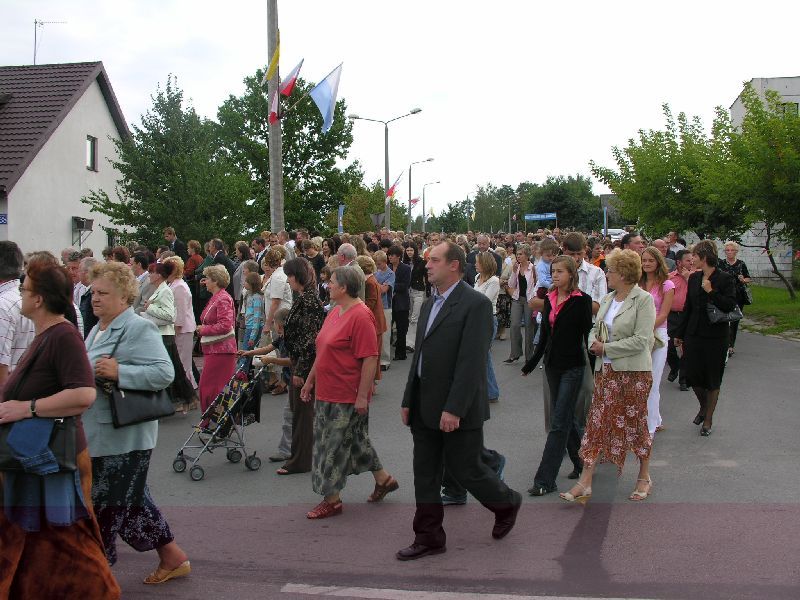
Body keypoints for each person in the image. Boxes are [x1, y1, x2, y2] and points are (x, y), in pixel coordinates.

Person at [0, 262, 120, 599]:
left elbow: (83, 394)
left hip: (54, 459)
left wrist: (26, 407)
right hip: (38, 457)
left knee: (67, 539)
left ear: (38, 299)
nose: (20, 294)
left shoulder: (62, 335)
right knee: (41, 542)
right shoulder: (47, 334)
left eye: (24, 289)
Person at [397, 241, 521, 561]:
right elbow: (420, 357)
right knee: (425, 473)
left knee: (467, 469)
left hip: (458, 406)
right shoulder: (429, 303)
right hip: (424, 403)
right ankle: (428, 537)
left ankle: (506, 503)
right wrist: (409, 398)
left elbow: (471, 363)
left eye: (434, 260)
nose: (427, 265)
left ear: (454, 265)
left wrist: (453, 408)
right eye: (428, 260)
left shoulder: (475, 304)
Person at [83, 261, 189, 584]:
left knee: (105, 505)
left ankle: (96, 577)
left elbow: (164, 373)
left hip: (124, 435)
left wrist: (121, 373)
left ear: (124, 296)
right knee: (131, 501)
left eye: (103, 293)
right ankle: (172, 557)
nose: (95, 298)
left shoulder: (137, 327)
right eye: (93, 292)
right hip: (101, 433)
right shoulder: (98, 328)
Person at [300, 267, 398, 519]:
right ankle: (384, 479)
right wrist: (310, 381)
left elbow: (370, 358)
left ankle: (332, 500)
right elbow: (323, 351)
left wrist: (362, 396)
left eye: (331, 282)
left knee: (330, 448)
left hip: (346, 393)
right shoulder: (335, 311)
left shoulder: (361, 316)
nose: (327, 285)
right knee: (355, 440)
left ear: (344, 288)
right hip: (326, 390)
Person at [561, 249, 656, 504]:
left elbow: (642, 340)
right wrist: (594, 343)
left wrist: (607, 348)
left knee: (635, 424)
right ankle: (585, 481)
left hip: (634, 374)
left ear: (623, 274)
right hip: (606, 372)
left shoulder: (643, 300)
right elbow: (595, 328)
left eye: (610, 270)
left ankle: (644, 476)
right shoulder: (607, 299)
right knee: (597, 424)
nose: (607, 274)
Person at [522, 256, 593, 497]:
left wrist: (595, 367)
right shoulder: (549, 299)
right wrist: (531, 363)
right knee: (566, 416)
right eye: (553, 271)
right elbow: (545, 336)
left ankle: (545, 479)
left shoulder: (582, 300)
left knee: (559, 421)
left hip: (573, 366)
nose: (555, 275)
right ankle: (583, 462)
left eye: (560, 271)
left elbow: (586, 335)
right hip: (552, 365)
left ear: (571, 274)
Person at [674, 240, 738, 436]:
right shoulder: (694, 278)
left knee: (712, 378)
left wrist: (711, 291)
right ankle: (704, 406)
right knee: (692, 375)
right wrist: (679, 333)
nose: (691, 259)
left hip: (716, 336)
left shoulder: (725, 278)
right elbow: (688, 307)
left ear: (704, 257)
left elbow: (729, 305)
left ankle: (708, 419)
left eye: (694, 256)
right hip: (694, 334)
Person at [276, 258, 325, 475]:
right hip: (299, 361)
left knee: (303, 415)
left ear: (298, 276)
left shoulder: (309, 300)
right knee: (298, 412)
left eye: (289, 276)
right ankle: (298, 457)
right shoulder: (305, 297)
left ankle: (300, 460)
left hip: (303, 363)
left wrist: (302, 371)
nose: (288, 280)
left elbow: (309, 339)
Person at [141, 261, 194, 414]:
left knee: (170, 370)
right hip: (161, 334)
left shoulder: (165, 291)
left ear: (158, 275)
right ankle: (180, 400)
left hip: (164, 336)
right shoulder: (161, 289)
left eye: (151, 272)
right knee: (173, 369)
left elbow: (170, 315)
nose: (149, 275)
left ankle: (177, 400)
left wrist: (150, 307)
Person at [639, 247, 674, 434]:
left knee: (653, 380)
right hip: (638, 335)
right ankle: (655, 418)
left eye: (650, 260)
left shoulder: (667, 285)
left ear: (658, 262)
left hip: (658, 333)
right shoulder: (637, 282)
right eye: (644, 260)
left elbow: (664, 314)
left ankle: (650, 426)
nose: (646, 264)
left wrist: (647, 328)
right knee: (642, 379)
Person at [196, 265, 237, 421]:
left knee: (211, 387)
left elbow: (226, 325)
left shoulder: (223, 298)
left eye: (207, 279)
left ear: (215, 281)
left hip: (222, 350)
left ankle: (216, 420)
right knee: (210, 387)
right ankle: (214, 420)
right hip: (215, 349)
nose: (205, 281)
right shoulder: (217, 297)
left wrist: (203, 329)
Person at [163, 256, 199, 412]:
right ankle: (189, 398)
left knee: (183, 365)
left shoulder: (179, 287)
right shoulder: (175, 285)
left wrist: (175, 331)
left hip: (182, 330)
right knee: (182, 365)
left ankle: (189, 399)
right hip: (181, 329)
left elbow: (181, 313)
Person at [0, 241, 35, 387]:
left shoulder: (3, 305)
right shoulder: (28, 297)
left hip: (10, 390)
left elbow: (1, 365)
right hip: (25, 386)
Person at [356, 255, 387, 386]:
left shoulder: (369, 282)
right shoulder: (371, 280)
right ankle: (372, 380)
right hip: (377, 322)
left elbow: (370, 302)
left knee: (372, 354)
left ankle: (371, 381)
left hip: (375, 323)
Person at [474, 251, 501, 403]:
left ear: (485, 264)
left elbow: (483, 301)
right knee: (482, 356)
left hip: (488, 320)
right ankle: (487, 390)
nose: (475, 264)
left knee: (484, 356)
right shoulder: (477, 277)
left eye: (477, 262)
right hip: (477, 319)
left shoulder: (494, 281)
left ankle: (491, 391)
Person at [717, 241, 751, 357]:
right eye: (727, 250)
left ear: (736, 251)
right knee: (724, 319)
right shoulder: (721, 263)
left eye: (732, 250)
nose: (730, 252)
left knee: (734, 321)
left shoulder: (741, 264)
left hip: (738, 295)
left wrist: (743, 280)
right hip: (724, 295)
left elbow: (748, 278)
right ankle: (723, 343)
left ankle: (731, 345)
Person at [666, 249, 693, 391]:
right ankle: (675, 366)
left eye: (692, 260)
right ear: (679, 262)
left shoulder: (696, 277)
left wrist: (688, 278)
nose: (691, 263)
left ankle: (683, 379)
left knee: (687, 348)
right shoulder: (670, 278)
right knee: (668, 345)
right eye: (688, 260)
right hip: (672, 315)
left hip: (688, 316)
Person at [504, 244, 536, 364]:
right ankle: (515, 354)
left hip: (529, 300)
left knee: (529, 327)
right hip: (517, 298)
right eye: (517, 254)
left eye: (521, 254)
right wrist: (513, 272)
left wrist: (534, 297)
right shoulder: (516, 267)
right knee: (514, 325)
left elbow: (536, 284)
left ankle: (529, 356)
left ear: (527, 255)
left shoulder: (533, 268)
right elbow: (511, 284)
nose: (518, 256)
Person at [388, 245, 411, 361]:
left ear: (398, 256)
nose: (390, 257)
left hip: (401, 303)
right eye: (389, 255)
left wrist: (390, 285)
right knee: (388, 328)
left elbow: (405, 285)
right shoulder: (388, 267)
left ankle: (400, 353)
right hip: (389, 302)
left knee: (401, 329)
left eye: (392, 255)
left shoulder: (406, 268)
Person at [373, 250, 394, 372]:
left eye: (379, 263)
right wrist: (379, 285)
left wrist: (375, 285)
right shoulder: (375, 273)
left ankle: (385, 360)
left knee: (385, 334)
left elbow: (384, 290)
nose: (377, 266)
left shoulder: (390, 274)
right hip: (375, 306)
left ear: (384, 262)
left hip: (386, 306)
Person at [404, 243, 427, 352]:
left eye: (411, 250)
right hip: (407, 292)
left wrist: (428, 291)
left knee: (415, 317)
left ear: (415, 251)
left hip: (418, 291)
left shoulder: (421, 262)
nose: (409, 252)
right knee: (409, 316)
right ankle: (408, 340)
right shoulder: (404, 262)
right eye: (407, 250)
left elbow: (426, 277)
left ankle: (410, 343)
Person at [77, 257, 99, 338]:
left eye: (79, 270)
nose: (77, 273)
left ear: (87, 272)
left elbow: (87, 322)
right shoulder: (87, 291)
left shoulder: (92, 294)